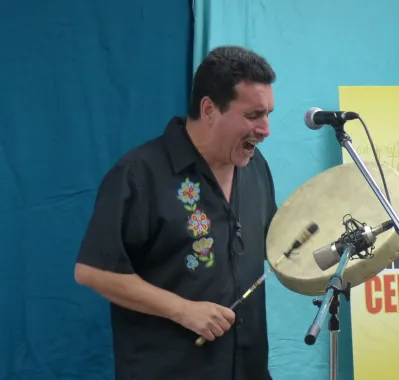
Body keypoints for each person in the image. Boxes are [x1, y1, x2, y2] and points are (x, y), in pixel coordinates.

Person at [74, 45, 278, 380]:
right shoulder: (140, 175)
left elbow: (274, 242)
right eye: (254, 115)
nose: (266, 128)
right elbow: (93, 271)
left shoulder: (256, 168)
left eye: (268, 113)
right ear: (209, 109)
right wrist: (183, 310)